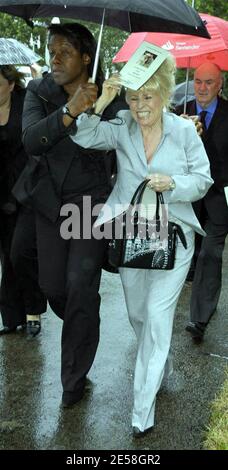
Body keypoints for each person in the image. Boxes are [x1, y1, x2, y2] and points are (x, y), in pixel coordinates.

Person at [67, 54, 213, 435]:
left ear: (163, 94)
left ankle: (141, 413)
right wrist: (101, 102)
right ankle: (159, 366)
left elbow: (203, 179)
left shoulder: (182, 131)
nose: (140, 105)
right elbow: (82, 135)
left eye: (148, 97)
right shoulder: (121, 124)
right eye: (133, 97)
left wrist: (174, 184)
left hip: (175, 236)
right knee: (138, 316)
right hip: (133, 233)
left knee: (157, 316)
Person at [20, 23, 126, 406]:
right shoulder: (37, 91)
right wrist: (69, 110)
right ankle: (84, 320)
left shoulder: (112, 96)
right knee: (54, 288)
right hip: (49, 204)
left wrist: (102, 102)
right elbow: (31, 140)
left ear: (86, 57)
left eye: (65, 51)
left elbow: (129, 137)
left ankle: (73, 381)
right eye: (51, 51)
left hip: (90, 205)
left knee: (81, 286)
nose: (55, 58)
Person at [176, 62, 228, 343]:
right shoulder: (180, 113)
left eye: (209, 82)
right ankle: (208, 295)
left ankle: (199, 317)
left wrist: (201, 138)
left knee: (210, 253)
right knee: (190, 254)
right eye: (198, 82)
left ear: (220, 84)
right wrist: (181, 132)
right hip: (189, 198)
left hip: (220, 198)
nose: (202, 88)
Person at [0, 65, 46, 336]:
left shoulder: (25, 100)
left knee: (21, 253)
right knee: (7, 255)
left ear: (10, 83)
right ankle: (11, 316)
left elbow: (36, 139)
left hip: (26, 186)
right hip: (1, 190)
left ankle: (33, 310)